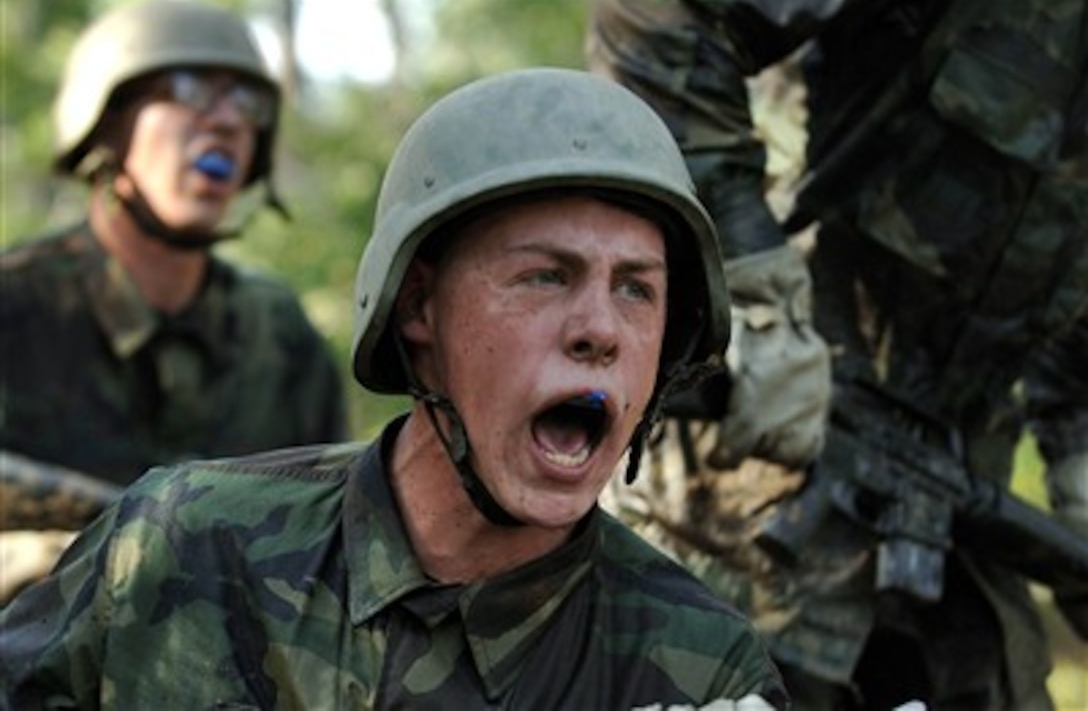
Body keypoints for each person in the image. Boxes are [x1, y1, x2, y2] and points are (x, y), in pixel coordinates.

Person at [0, 67, 789, 710]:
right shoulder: (184, 549)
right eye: (545, 276)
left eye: (637, 289)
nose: (600, 330)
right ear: (418, 306)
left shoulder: (699, 671)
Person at [588, 0, 1088, 709]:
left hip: (961, 550)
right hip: (738, 511)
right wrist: (748, 281)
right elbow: (657, 11)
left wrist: (1077, 450)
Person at [0, 0, 346, 490]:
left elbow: (335, 541)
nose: (228, 122)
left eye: (248, 103)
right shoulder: (16, 314)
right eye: (189, 90)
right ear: (107, 126)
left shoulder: (280, 341)